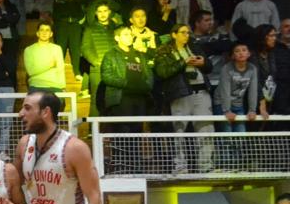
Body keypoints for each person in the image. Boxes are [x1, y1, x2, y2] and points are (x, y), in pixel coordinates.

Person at [154, 24, 214, 174]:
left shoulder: (194, 46)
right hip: (180, 94)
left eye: (188, 32)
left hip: (201, 92)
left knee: (206, 129)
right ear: (174, 34)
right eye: (183, 32)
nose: (186, 35)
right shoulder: (164, 50)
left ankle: (206, 166)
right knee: (179, 131)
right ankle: (180, 167)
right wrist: (184, 62)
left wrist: (203, 63)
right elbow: (162, 72)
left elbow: (209, 66)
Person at [100, 27, 153, 172]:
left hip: (139, 99)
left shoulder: (139, 54)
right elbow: (106, 75)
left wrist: (146, 86)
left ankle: (135, 168)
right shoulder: (111, 54)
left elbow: (149, 75)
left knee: (136, 133)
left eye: (130, 34)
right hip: (121, 99)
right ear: (117, 38)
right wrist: (126, 84)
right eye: (125, 34)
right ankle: (122, 167)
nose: (130, 36)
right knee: (122, 133)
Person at [214, 43, 259, 170]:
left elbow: (253, 90)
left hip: (238, 105)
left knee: (240, 135)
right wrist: (226, 110)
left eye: (244, 50)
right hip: (221, 103)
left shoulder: (252, 68)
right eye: (237, 51)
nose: (241, 53)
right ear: (233, 56)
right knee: (226, 134)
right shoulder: (227, 68)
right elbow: (224, 90)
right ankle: (225, 165)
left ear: (249, 53)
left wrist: (252, 110)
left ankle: (237, 165)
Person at [52, 0, 88, 87]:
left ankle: (77, 71)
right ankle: (58, 73)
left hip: (75, 21)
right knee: (60, 48)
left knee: (76, 48)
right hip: (62, 21)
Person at [81, 1, 117, 116]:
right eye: (100, 11)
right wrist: (95, 62)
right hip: (97, 70)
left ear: (109, 12)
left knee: (113, 100)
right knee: (96, 101)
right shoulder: (90, 29)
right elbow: (85, 48)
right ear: (96, 13)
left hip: (114, 69)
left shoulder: (115, 28)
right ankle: (93, 132)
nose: (102, 14)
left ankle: (110, 131)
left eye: (105, 11)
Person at [24, 22, 66, 92]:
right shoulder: (29, 49)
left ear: (51, 34)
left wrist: (63, 86)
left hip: (55, 86)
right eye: (42, 30)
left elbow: (60, 69)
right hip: (36, 85)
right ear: (37, 33)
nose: (44, 33)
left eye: (47, 30)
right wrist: (50, 64)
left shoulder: (57, 48)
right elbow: (30, 71)